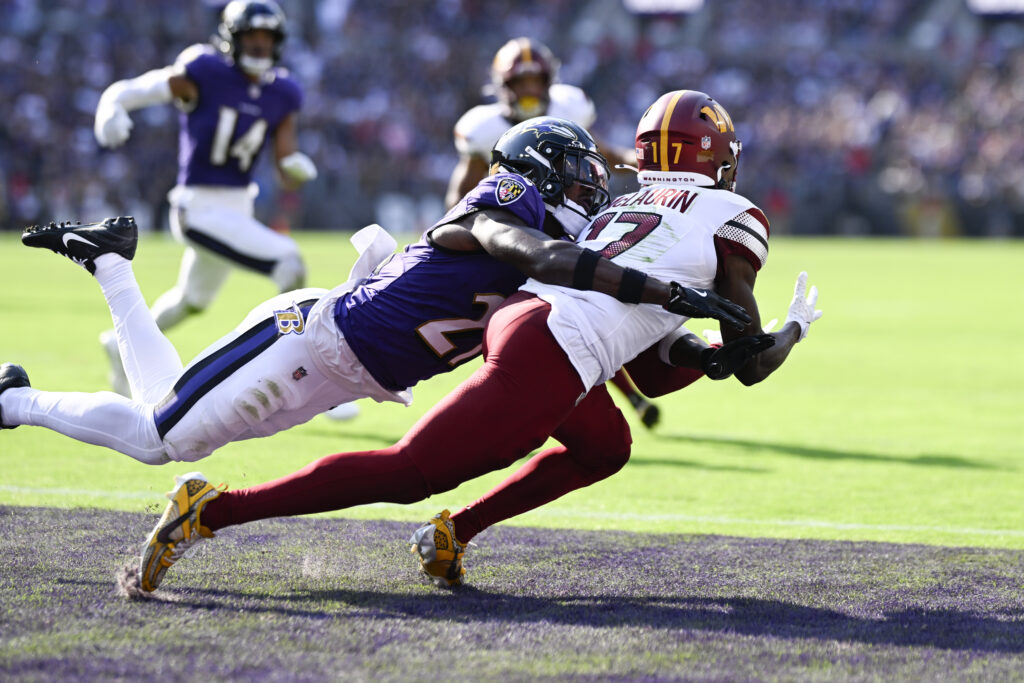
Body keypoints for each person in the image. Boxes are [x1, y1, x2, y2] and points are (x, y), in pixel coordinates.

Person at [128, 90, 821, 593]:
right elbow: (751, 363)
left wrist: (703, 351)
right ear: (721, 160)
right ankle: (211, 509)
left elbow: (648, 360)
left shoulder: (618, 209)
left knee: (607, 445)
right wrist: (786, 331)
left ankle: (453, 532)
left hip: (533, 324)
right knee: (409, 472)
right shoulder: (734, 214)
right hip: (552, 343)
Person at [2, 117, 743, 474]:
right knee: (159, 438)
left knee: (164, 418)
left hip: (343, 373)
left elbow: (604, 330)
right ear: (540, 173)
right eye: (581, 177)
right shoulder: (507, 205)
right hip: (308, 340)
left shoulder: (556, 256)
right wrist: (666, 288)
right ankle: (13, 400)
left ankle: (109, 264)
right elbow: (545, 253)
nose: (590, 192)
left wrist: (702, 348)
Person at [91, 0, 327, 407]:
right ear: (231, 39)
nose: (258, 46)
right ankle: (300, 373)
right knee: (289, 261)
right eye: (251, 37)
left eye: (267, 38)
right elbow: (134, 89)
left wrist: (295, 166)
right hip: (197, 208)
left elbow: (284, 164)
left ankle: (119, 343)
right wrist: (110, 105)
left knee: (191, 301)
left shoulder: (283, 91)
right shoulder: (205, 71)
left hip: (238, 210)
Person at [447, 36, 658, 428]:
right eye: (519, 83)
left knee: (584, 300)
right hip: (519, 228)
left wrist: (632, 160)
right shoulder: (483, 127)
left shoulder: (569, 107)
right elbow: (464, 192)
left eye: (535, 81)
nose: (529, 91)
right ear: (502, 86)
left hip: (565, 217)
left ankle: (623, 394)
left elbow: (593, 149)